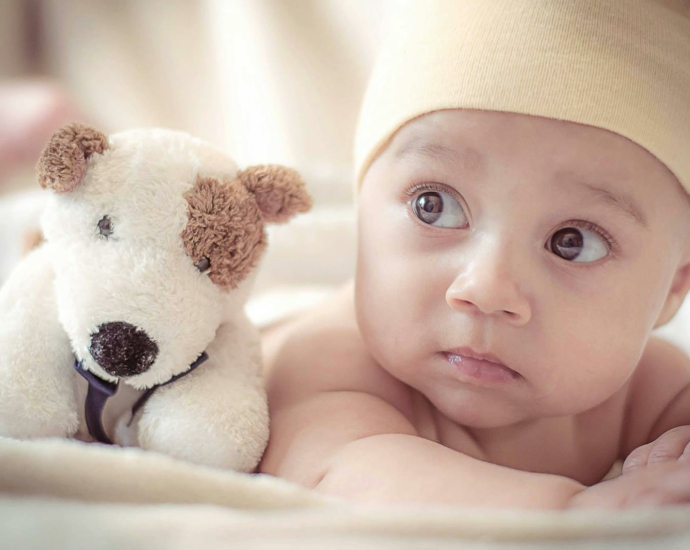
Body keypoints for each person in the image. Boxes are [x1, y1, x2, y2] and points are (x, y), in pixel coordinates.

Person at [259, 0, 690, 509]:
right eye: (433, 206)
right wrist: (572, 513)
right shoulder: (328, 360)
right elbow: (344, 469)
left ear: (672, 289)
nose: (486, 289)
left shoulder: (645, 387)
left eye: (573, 242)